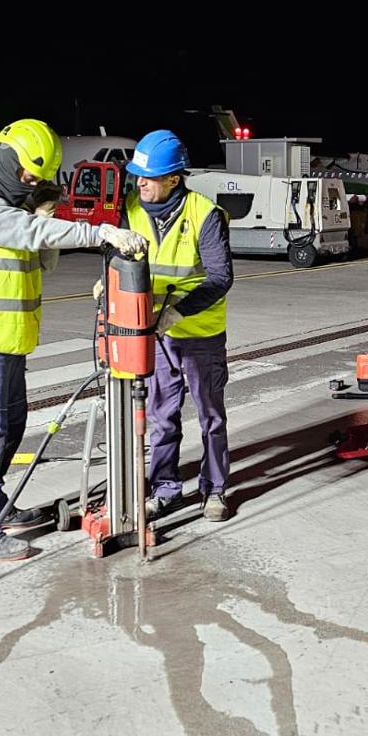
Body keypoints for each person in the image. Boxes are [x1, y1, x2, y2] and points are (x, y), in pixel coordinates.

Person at [0, 118, 148, 561]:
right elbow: (29, 233)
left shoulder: (16, 211)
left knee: (10, 429)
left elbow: (44, 262)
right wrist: (97, 231)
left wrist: (42, 216)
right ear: (6, 161)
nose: (30, 182)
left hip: (9, 341)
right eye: (26, 174)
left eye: (37, 179)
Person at [123, 129, 233, 521]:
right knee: (161, 415)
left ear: (174, 178)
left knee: (210, 415)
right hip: (156, 335)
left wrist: (178, 312)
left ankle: (215, 489)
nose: (140, 183)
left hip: (199, 333)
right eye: (138, 176)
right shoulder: (133, 209)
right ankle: (165, 488)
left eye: (148, 177)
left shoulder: (205, 214)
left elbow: (220, 277)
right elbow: (123, 261)